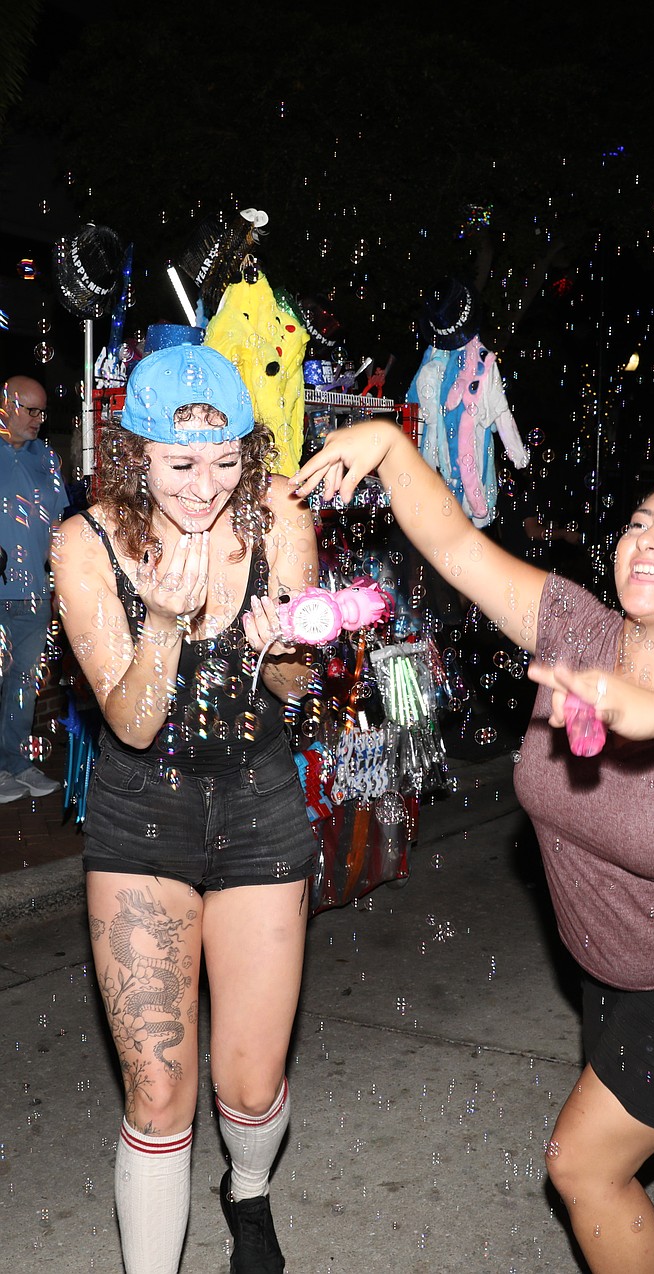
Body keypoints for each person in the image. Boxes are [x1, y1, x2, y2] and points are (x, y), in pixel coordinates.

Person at [290, 419, 654, 1274]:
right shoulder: (574, 628)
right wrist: (390, 449)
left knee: (583, 1165)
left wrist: (649, 712)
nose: (649, 539)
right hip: (611, 962)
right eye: (641, 522)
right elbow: (456, 546)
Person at [51, 343, 320, 1274]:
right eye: (180, 463)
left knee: (248, 1087)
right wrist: (162, 622)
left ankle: (247, 1191)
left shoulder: (281, 515)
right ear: (135, 453)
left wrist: (286, 648)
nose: (207, 486)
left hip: (259, 807)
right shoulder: (83, 542)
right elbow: (128, 723)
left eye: (227, 458)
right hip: (141, 818)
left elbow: (291, 688)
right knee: (159, 1095)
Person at [0, 375, 68, 803]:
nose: (39, 420)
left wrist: (61, 581)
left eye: (43, 411)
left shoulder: (47, 458)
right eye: (31, 410)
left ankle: (14, 761)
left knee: (24, 682)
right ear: (5, 405)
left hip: (34, 593)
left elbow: (58, 528)